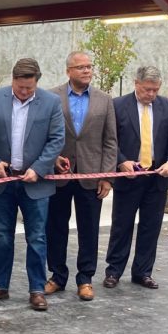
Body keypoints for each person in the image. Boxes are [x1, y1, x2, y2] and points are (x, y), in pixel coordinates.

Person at [0, 58, 64, 311]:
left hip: (35, 183)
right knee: (2, 235)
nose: (23, 91)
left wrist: (38, 168)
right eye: (19, 86)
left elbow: (56, 140)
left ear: (37, 83)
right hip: (3, 181)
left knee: (37, 237)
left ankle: (37, 289)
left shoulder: (51, 103)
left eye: (28, 88)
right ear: (12, 80)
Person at [45, 52, 117, 301]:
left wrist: (107, 177)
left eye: (89, 67)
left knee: (89, 229)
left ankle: (85, 278)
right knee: (55, 227)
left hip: (91, 175)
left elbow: (110, 141)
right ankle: (57, 276)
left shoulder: (105, 100)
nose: (87, 71)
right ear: (68, 71)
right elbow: (44, 136)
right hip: (59, 174)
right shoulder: (51, 97)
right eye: (81, 67)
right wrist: (52, 160)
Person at [103, 66, 168, 290]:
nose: (151, 95)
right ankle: (114, 271)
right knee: (122, 226)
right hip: (129, 177)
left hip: (157, 177)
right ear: (136, 83)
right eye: (147, 89)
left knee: (151, 226)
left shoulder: (167, 106)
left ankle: (143, 272)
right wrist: (121, 161)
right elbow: (109, 140)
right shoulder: (118, 106)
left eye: (155, 90)